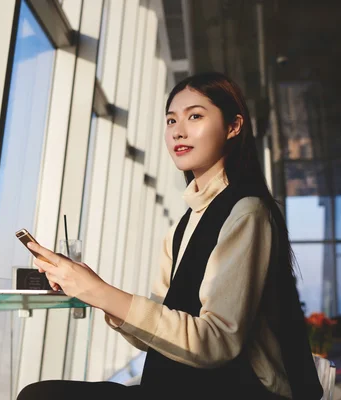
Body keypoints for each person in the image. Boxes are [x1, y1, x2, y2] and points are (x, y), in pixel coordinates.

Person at [17, 72, 323, 399]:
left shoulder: (247, 211)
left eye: (195, 116)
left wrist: (101, 292)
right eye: (170, 120)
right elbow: (162, 330)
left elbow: (216, 342)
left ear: (234, 126)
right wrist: (92, 290)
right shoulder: (182, 227)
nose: (178, 130)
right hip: (180, 384)